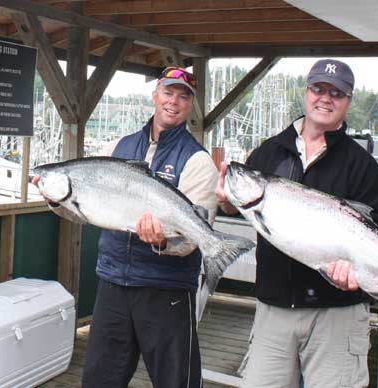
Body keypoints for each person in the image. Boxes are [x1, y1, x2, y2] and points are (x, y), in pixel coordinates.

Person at [216, 59, 378, 388]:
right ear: (305, 92)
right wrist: (226, 201)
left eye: (337, 93)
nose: (326, 98)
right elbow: (243, 206)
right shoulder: (269, 152)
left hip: (337, 313)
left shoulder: (363, 166)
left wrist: (357, 274)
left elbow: (373, 232)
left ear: (348, 102)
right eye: (318, 88)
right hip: (274, 309)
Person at [62, 66, 216, 388]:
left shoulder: (198, 161)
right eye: (168, 92)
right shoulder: (119, 146)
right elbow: (86, 212)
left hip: (167, 291)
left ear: (191, 105)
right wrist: (56, 198)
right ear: (155, 95)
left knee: (177, 381)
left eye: (183, 96)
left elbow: (191, 241)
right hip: (113, 284)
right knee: (99, 380)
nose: (173, 101)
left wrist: (160, 242)